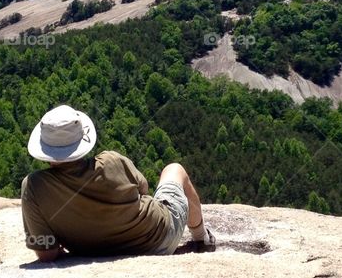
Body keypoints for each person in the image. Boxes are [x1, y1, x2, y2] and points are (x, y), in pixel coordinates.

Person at [20, 105, 215, 261]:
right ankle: (202, 239)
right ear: (83, 140)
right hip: (159, 237)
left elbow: (46, 252)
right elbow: (143, 188)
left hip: (92, 253)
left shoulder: (33, 187)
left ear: (45, 150)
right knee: (174, 170)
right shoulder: (111, 161)